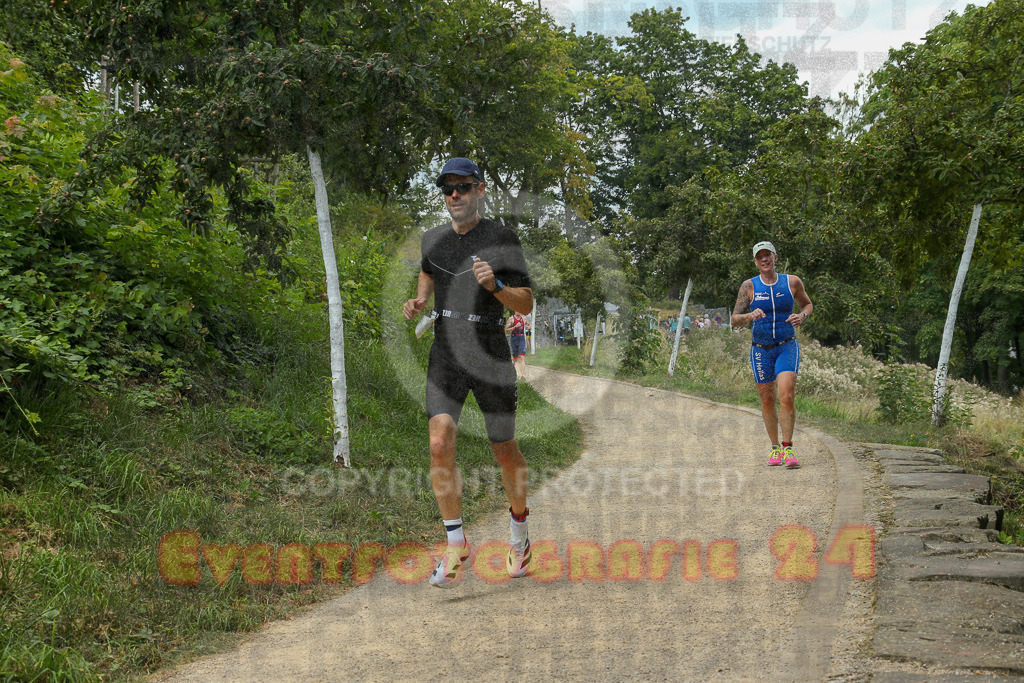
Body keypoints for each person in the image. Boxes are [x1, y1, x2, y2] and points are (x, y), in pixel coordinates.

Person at [402, 157, 534, 588]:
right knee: (439, 440)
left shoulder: (501, 237)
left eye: (462, 187)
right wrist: (420, 299)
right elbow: (427, 270)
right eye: (447, 188)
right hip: (445, 351)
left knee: (503, 449)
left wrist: (495, 287)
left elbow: (527, 303)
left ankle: (520, 536)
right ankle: (456, 545)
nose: (453, 195)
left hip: (490, 352)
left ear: (479, 190)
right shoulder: (434, 239)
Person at [731, 241, 813, 469]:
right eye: (760, 257)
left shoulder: (792, 282)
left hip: (786, 345)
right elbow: (734, 321)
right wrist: (749, 316)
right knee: (767, 400)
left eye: (768, 255)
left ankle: (788, 448)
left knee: (786, 394)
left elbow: (807, 305)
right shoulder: (749, 286)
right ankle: (775, 448)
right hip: (760, 349)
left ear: (776, 257)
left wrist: (802, 317)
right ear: (755, 261)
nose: (764, 259)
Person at [505, 310, 530, 379]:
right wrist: (515, 327)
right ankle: (513, 364)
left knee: (522, 356)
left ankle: (522, 374)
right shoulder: (511, 319)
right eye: (517, 310)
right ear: (515, 310)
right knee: (515, 357)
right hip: (514, 338)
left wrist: (528, 327)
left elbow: (528, 324)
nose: (518, 311)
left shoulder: (524, 319)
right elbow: (506, 330)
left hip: (521, 338)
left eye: (519, 310)